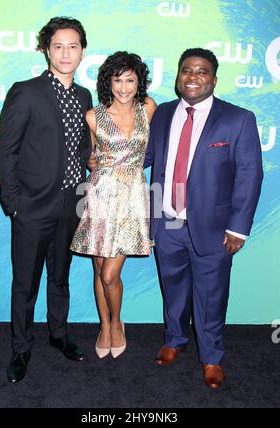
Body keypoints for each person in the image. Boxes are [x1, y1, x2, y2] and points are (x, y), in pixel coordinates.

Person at [144, 48, 263, 388]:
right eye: (186, 70)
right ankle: (175, 339)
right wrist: (106, 162)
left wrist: (238, 227)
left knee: (211, 295)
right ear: (178, 76)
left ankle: (211, 357)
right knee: (173, 288)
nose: (193, 76)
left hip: (213, 228)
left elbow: (249, 176)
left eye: (202, 71)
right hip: (167, 222)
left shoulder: (237, 119)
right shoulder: (164, 114)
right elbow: (149, 157)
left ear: (214, 78)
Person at [0, 17, 93, 383]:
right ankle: (21, 348)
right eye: (58, 46)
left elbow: (82, 147)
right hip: (31, 208)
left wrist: (94, 160)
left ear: (83, 51)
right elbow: (6, 151)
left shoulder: (83, 96)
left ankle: (58, 334)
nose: (66, 53)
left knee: (61, 277)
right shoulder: (27, 91)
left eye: (73, 46)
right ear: (45, 49)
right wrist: (14, 203)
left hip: (70, 205)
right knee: (25, 283)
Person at [71, 51, 157, 359]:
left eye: (130, 80)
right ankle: (105, 326)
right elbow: (89, 156)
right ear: (108, 82)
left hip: (132, 197)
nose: (123, 87)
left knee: (110, 275)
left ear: (139, 82)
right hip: (100, 197)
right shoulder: (93, 115)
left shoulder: (148, 108)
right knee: (98, 269)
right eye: (117, 80)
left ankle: (118, 323)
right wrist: (90, 159)